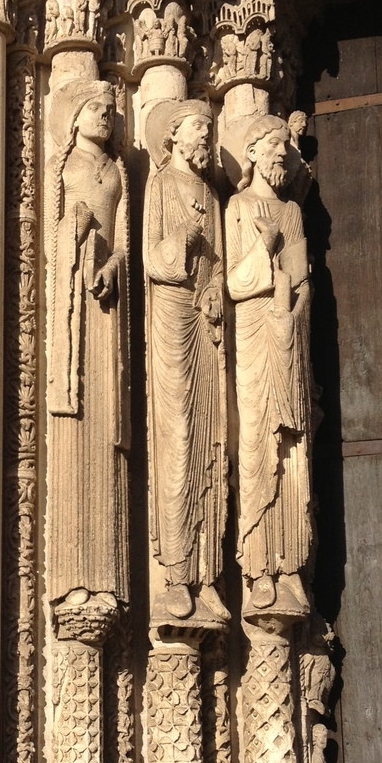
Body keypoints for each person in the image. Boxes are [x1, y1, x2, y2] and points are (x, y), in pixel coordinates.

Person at [46, 77, 130, 619]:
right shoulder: (63, 168)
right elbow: (50, 237)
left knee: (106, 436)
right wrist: (69, 237)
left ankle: (107, 577)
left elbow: (124, 241)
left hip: (106, 314)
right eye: (94, 108)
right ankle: (72, 578)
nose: (104, 115)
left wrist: (113, 265)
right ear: (73, 118)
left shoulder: (118, 172)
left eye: (110, 109)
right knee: (75, 442)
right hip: (69, 321)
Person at [143, 98, 228, 625]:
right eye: (199, 128)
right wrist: (181, 242)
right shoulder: (161, 186)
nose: (206, 138)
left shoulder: (211, 194)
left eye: (210, 130)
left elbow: (217, 263)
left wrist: (216, 288)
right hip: (172, 318)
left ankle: (209, 576)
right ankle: (176, 575)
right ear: (174, 134)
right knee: (176, 441)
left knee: (210, 440)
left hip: (205, 321)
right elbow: (154, 258)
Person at [224, 114, 313, 619]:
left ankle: (291, 565)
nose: (281, 155)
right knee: (259, 443)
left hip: (287, 334)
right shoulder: (238, 207)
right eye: (273, 146)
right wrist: (265, 246)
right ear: (252, 152)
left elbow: (301, 279)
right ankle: (259, 568)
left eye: (286, 147)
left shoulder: (294, 212)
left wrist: (296, 308)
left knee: (293, 445)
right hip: (255, 334)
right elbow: (236, 283)